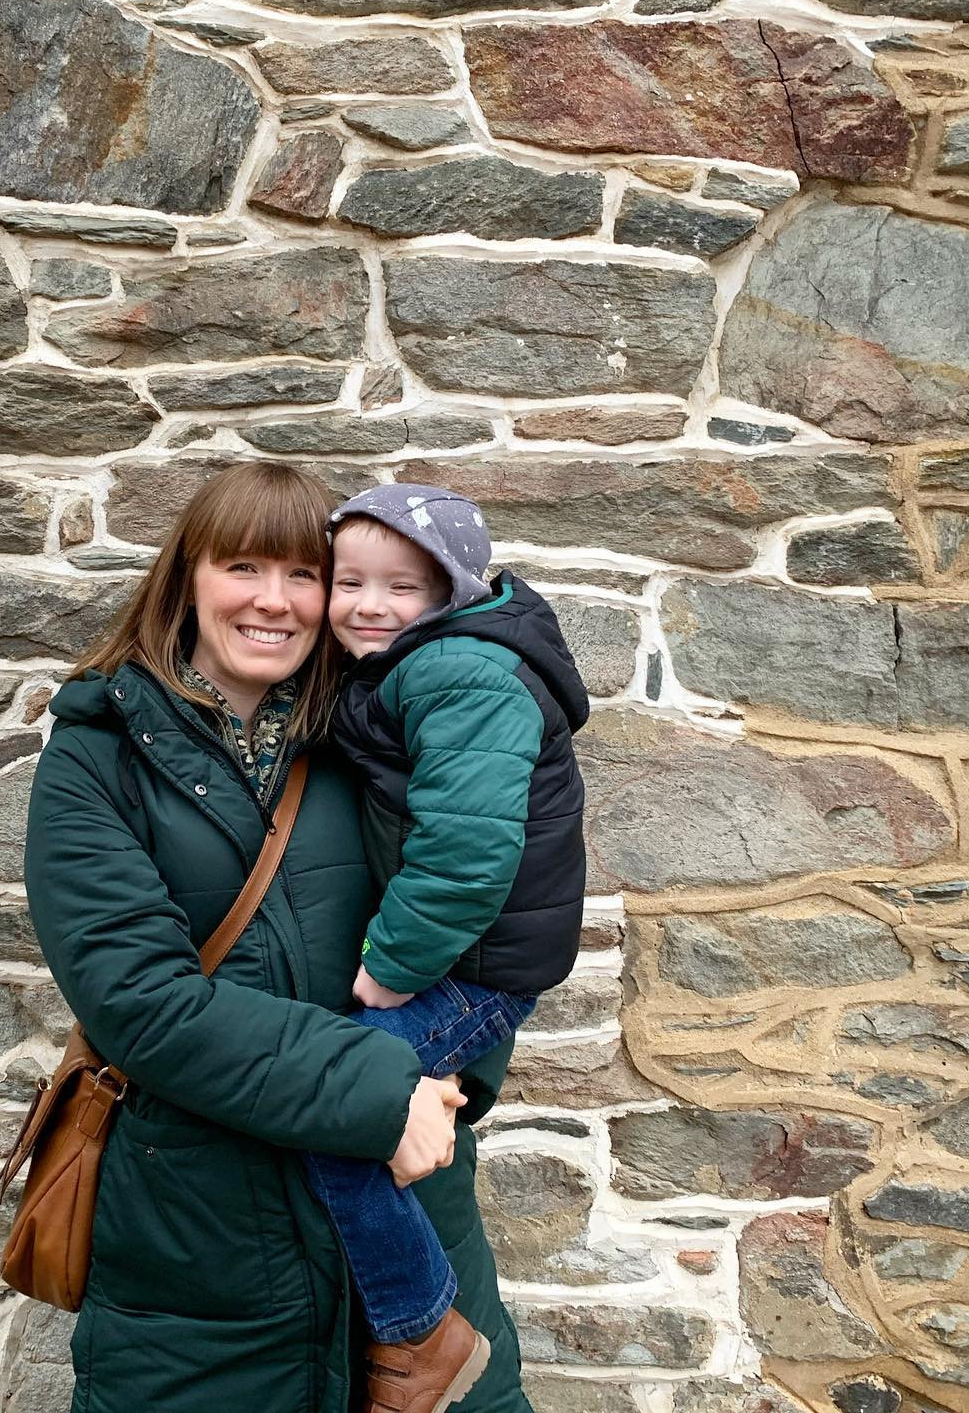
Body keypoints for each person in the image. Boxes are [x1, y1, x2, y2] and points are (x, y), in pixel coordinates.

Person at [22, 463, 533, 1413]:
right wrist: (382, 1092)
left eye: (305, 574)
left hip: (413, 1257)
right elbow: (141, 1003)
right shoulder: (95, 756)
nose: (275, 601)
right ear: (188, 578)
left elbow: (485, 911)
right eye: (243, 567)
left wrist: (459, 1078)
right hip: (202, 1259)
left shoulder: (380, 731)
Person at [306, 484, 589, 1410]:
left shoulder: (457, 671)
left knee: (344, 1108)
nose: (370, 606)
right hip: (471, 963)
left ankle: (420, 1330)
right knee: (359, 1108)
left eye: (403, 588)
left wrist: (390, 970)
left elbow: (466, 854)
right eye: (351, 582)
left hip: (473, 971)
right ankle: (422, 1329)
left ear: (453, 593)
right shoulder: (410, 668)